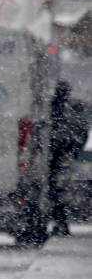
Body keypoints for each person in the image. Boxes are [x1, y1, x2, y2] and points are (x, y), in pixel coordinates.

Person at [47, 81, 89, 237]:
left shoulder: (54, 109)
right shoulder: (70, 111)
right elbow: (81, 134)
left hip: (54, 157)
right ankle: (61, 223)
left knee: (55, 192)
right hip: (61, 157)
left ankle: (60, 223)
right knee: (59, 192)